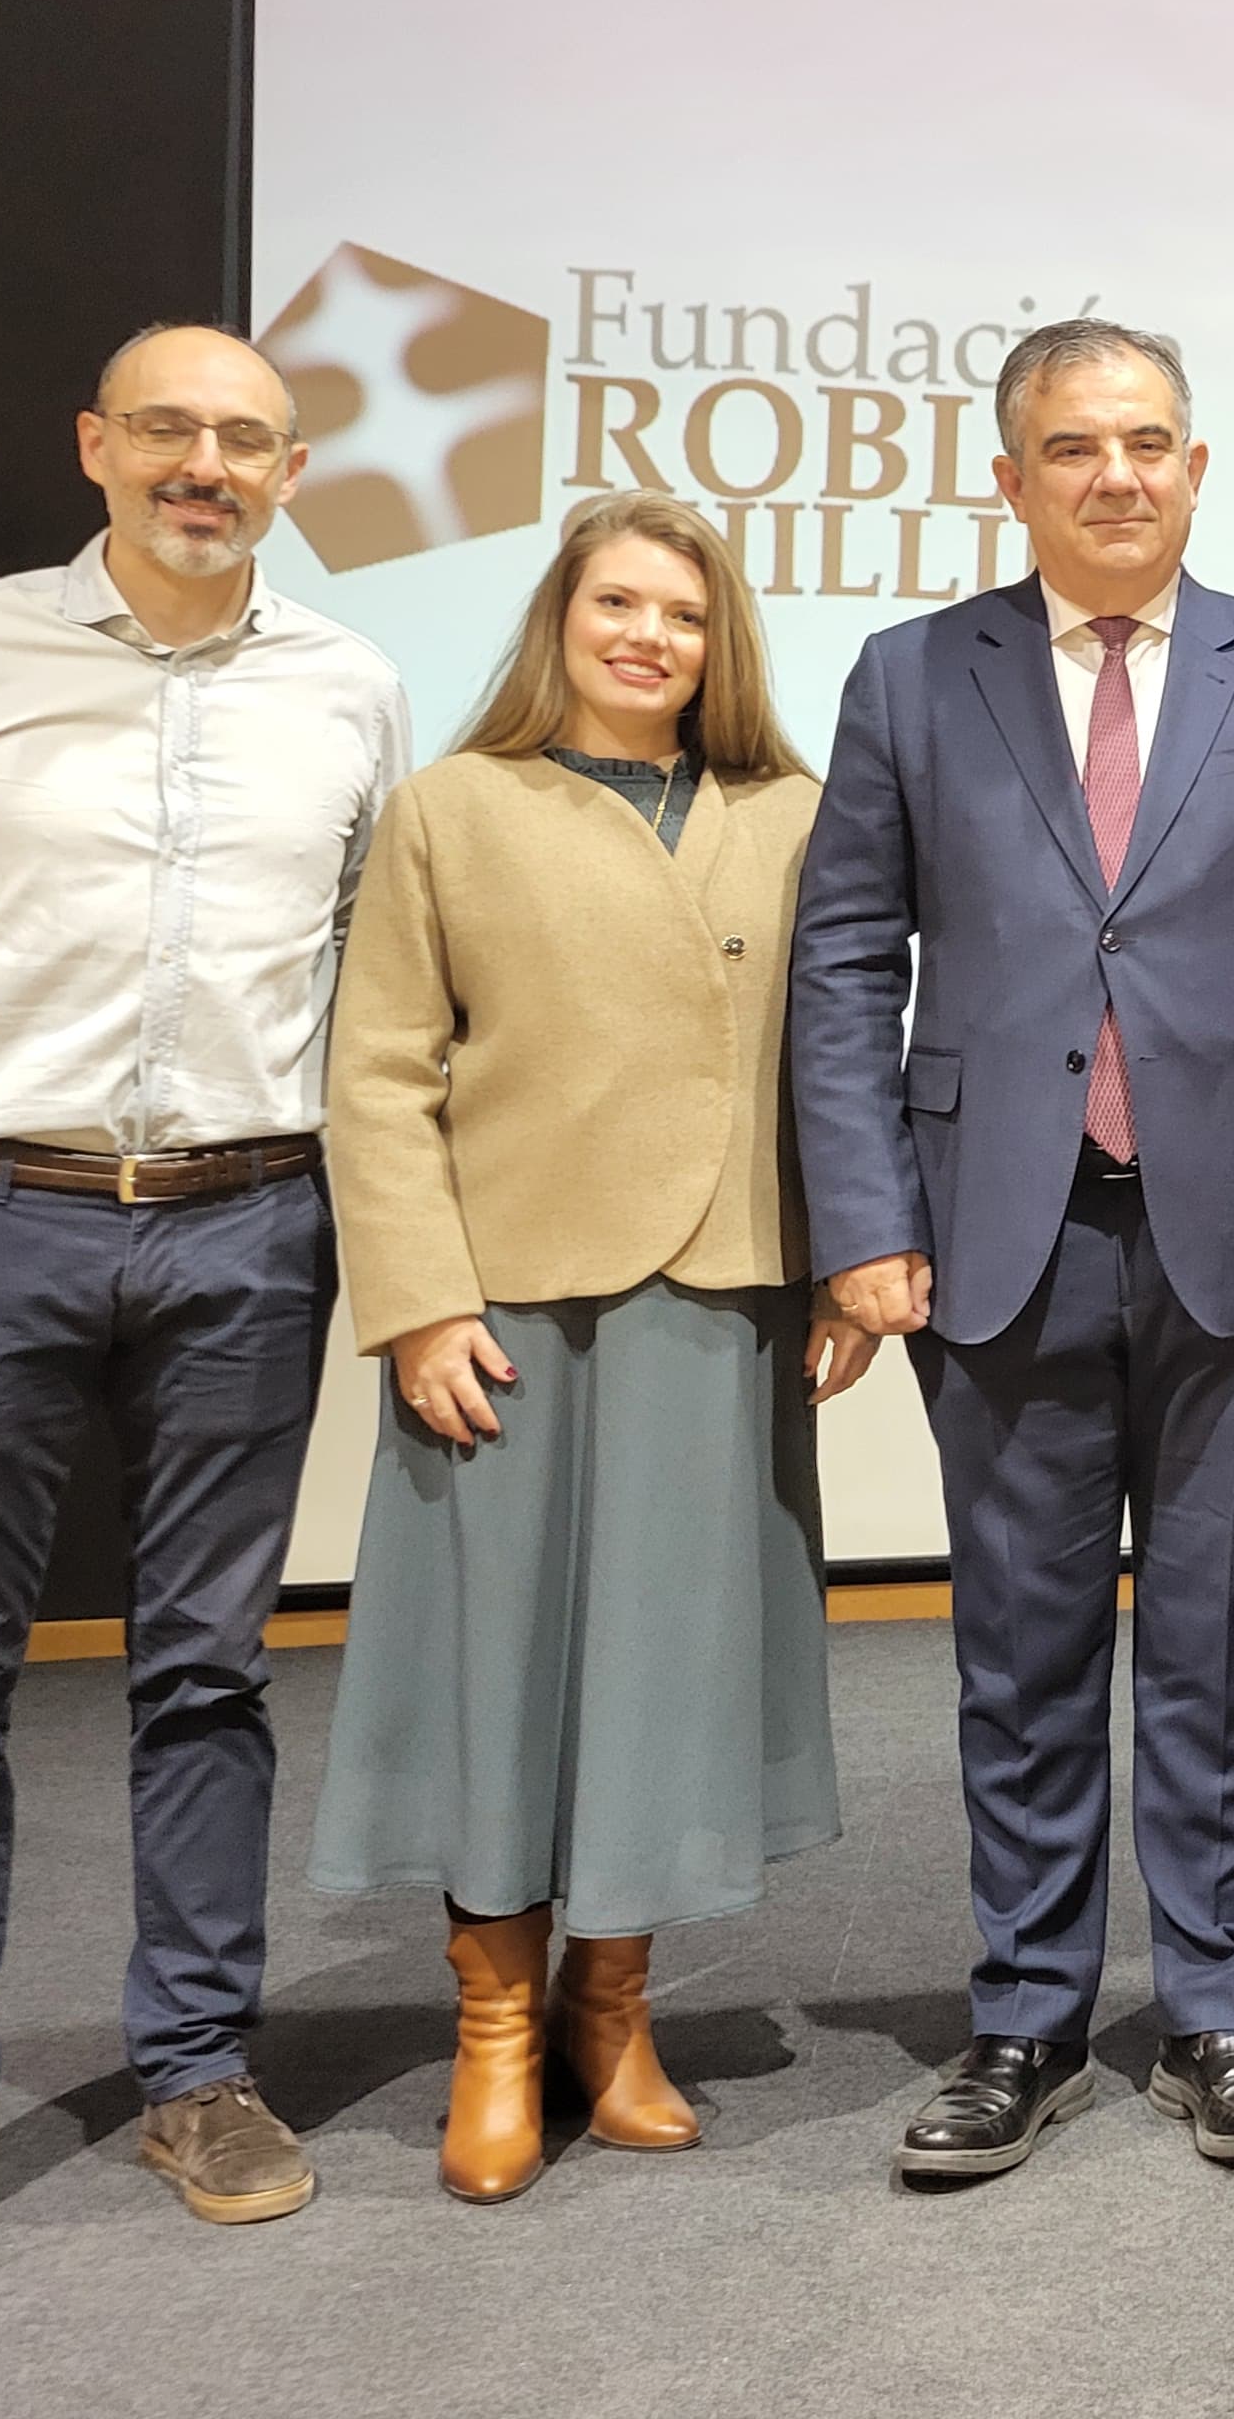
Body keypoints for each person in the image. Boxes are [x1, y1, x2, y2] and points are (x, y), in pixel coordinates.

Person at [0, 325, 410, 2294]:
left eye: (242, 438)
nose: (201, 465)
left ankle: (198, 2068)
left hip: (248, 1227)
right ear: (97, 447)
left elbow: (367, 963)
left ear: (292, 471)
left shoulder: (350, 687)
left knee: (208, 1669)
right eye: (168, 429)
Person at [789, 317, 1234, 2182]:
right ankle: (1027, 2014)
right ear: (1015, 474)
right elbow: (844, 958)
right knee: (1022, 1644)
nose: (1115, 474)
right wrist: (864, 1226)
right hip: (997, 1235)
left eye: (1147, 443)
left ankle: (1215, 2010)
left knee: (1222, 1644)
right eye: (1075, 448)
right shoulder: (911, 676)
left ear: (1197, 469)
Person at [311, 493, 875, 2200]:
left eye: (684, 616)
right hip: (504, 1305)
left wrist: (850, 1268)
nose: (648, 637)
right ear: (560, 617)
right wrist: (415, 1297)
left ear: (724, 645)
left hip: (721, 1298)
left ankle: (607, 2008)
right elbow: (380, 1070)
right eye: (616, 603)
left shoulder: (796, 817)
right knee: (500, 1668)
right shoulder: (448, 812)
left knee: (663, 1672)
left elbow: (847, 1057)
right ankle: (492, 2030)